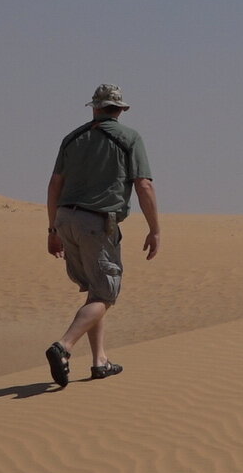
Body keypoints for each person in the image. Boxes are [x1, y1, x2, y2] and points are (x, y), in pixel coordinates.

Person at [45, 83, 159, 387]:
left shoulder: (73, 138)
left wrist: (52, 229)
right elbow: (144, 185)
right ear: (120, 110)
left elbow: (54, 185)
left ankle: (100, 361)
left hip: (65, 218)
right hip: (96, 222)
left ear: (95, 107)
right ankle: (64, 346)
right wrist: (155, 229)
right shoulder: (129, 138)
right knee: (106, 294)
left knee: (96, 291)